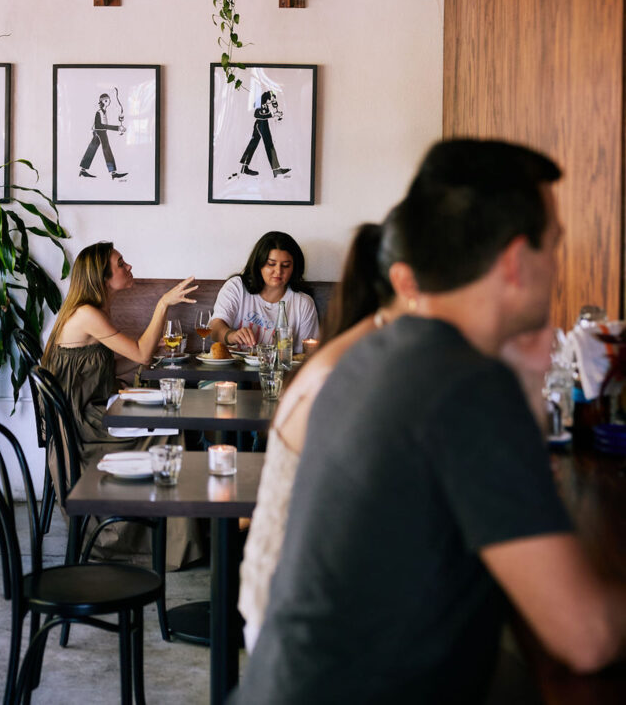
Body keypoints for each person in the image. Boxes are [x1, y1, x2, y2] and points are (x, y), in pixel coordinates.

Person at [236, 139, 626, 704]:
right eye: (556, 246)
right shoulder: (464, 383)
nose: (560, 263)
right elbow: (584, 634)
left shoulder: (371, 352)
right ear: (517, 260)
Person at [238, 213, 408, 653]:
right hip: (297, 605)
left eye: (286, 264)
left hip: (289, 587)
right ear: (406, 283)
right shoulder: (353, 365)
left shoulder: (350, 349)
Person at [42, 241, 201, 568]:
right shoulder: (87, 314)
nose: (128, 267)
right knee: (171, 432)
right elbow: (140, 355)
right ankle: (168, 542)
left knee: (169, 419)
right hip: (82, 425)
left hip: (91, 412)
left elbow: (112, 366)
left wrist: (148, 353)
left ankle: (178, 534)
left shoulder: (94, 311)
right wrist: (162, 304)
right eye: (121, 263)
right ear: (101, 277)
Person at [209, 231, 319, 352]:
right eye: (271, 264)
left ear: (294, 267)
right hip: (235, 368)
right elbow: (214, 329)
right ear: (258, 264)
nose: (278, 271)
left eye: (286, 265)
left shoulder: (303, 303)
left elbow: (304, 354)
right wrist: (231, 335)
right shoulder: (237, 287)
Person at [239, 90, 290, 178]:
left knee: (253, 145)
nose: (273, 100)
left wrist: (274, 111)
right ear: (268, 98)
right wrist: (273, 114)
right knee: (269, 145)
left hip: (262, 124)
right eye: (272, 98)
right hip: (261, 124)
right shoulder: (261, 104)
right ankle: (276, 169)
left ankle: (244, 167)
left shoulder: (265, 104)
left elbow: (265, 114)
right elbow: (257, 114)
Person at [79, 92, 127, 180]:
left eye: (108, 100)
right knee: (106, 150)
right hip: (100, 132)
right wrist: (117, 128)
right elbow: (99, 125)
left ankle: (83, 170)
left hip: (100, 132)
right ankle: (113, 172)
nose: (108, 102)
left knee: (92, 149)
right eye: (106, 100)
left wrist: (118, 127)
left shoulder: (104, 112)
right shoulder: (99, 112)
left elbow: (102, 125)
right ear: (102, 102)